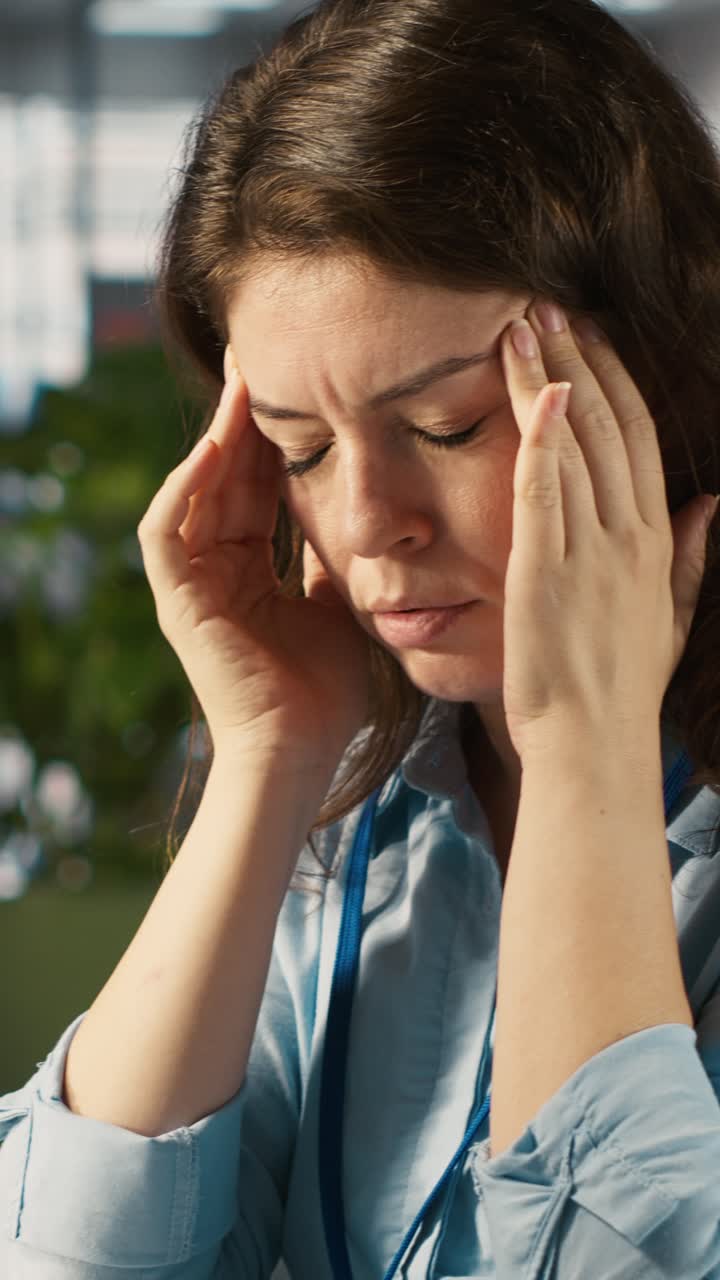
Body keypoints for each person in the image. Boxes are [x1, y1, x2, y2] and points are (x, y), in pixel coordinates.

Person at [2, 0, 720, 1275]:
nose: (368, 521)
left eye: (448, 425)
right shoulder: (360, 838)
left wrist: (584, 749)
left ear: (660, 382)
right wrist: (270, 757)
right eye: (301, 450)